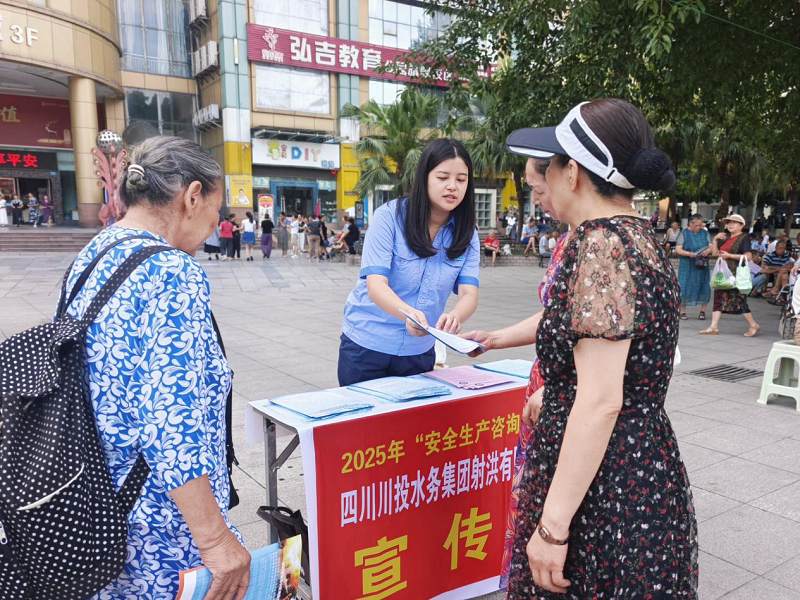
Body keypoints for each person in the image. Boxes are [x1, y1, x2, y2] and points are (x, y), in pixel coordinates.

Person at [493, 98, 696, 597]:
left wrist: (552, 528)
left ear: (572, 172)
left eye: (549, 167)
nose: (543, 180)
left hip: (603, 480)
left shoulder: (600, 244)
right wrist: (560, 389)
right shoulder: (639, 235)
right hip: (640, 460)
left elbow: (603, 399)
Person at [61, 136, 250, 598]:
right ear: (192, 196)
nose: (213, 228)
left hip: (99, 507)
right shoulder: (172, 272)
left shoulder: (95, 252)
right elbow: (172, 421)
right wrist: (215, 540)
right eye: (216, 211)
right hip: (160, 523)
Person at [338, 138, 480, 387]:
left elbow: (469, 293)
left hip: (419, 348)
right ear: (424, 177)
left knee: (414, 414)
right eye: (443, 177)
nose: (452, 187)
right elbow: (376, 285)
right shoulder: (388, 218)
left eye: (461, 179)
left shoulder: (467, 234)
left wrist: (455, 316)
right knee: (364, 413)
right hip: (367, 343)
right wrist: (408, 314)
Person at [701, 214, 760, 337]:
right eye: (729, 222)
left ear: (741, 225)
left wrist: (730, 256)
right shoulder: (726, 238)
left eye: (734, 222)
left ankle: (753, 325)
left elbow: (748, 256)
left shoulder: (744, 237)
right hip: (723, 274)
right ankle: (713, 327)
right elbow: (715, 253)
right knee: (718, 299)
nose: (730, 224)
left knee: (738, 300)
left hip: (735, 274)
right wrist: (715, 240)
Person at [675, 214, 711, 320]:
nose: (698, 227)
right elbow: (678, 249)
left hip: (702, 264)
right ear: (690, 223)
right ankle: (682, 311)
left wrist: (707, 251)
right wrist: (689, 254)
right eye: (696, 225)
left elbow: (711, 246)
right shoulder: (684, 233)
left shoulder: (705, 233)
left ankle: (703, 311)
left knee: (704, 285)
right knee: (684, 286)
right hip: (687, 264)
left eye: (700, 225)